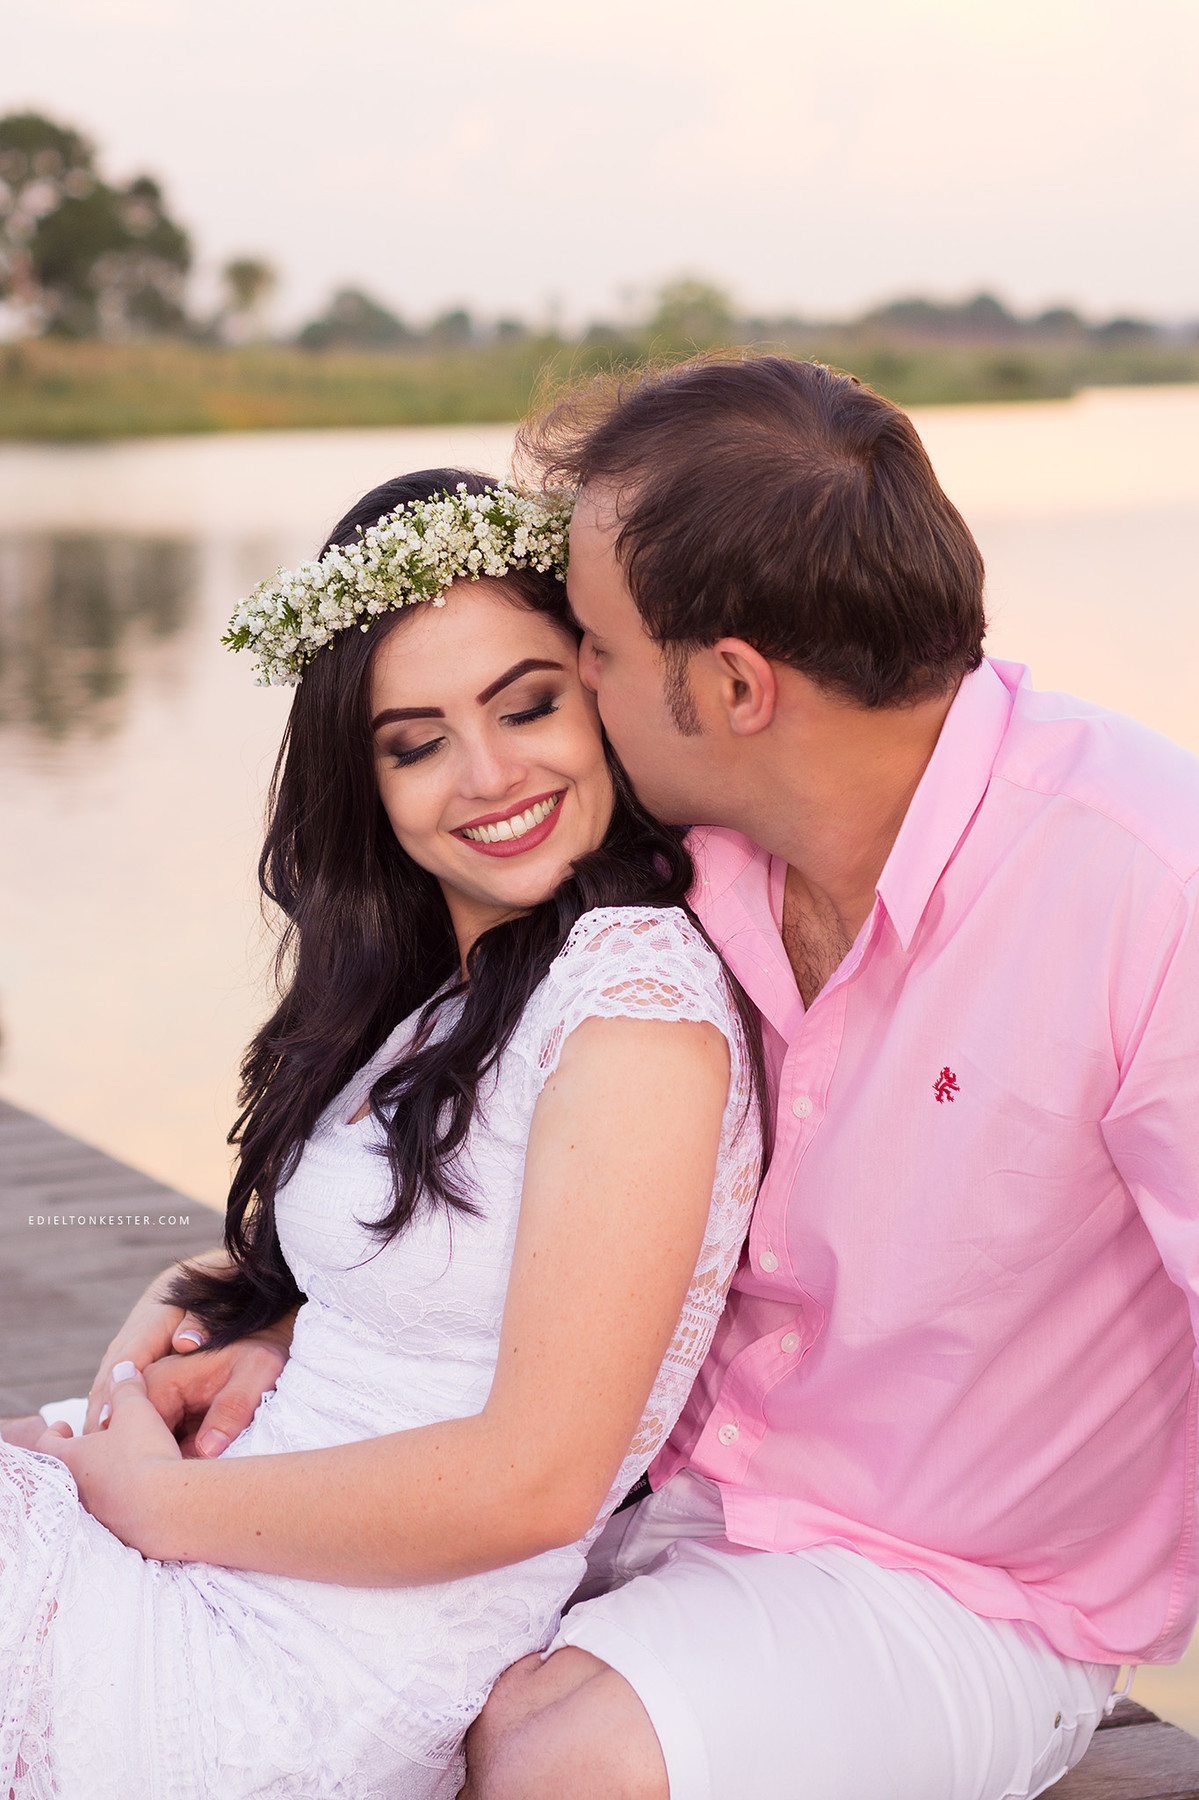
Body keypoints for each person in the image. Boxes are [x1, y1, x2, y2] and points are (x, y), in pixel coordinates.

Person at [25, 352, 1199, 1800]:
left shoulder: (1150, 886)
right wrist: (300, 1330)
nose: (572, 688)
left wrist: (180, 1505)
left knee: (554, 1760)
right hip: (660, 1506)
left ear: (731, 684)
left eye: (587, 645)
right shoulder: (697, 861)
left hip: (953, 1579)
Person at [0, 469, 764, 1799]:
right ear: (367, 782)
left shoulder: (635, 1004)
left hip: (296, 1675)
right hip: (217, 1555)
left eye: (528, 706)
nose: (489, 776)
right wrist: (210, 1330)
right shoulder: (447, 996)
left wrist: (156, 1507)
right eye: (416, 742)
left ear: (601, 693)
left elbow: (534, 1480)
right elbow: (397, 1303)